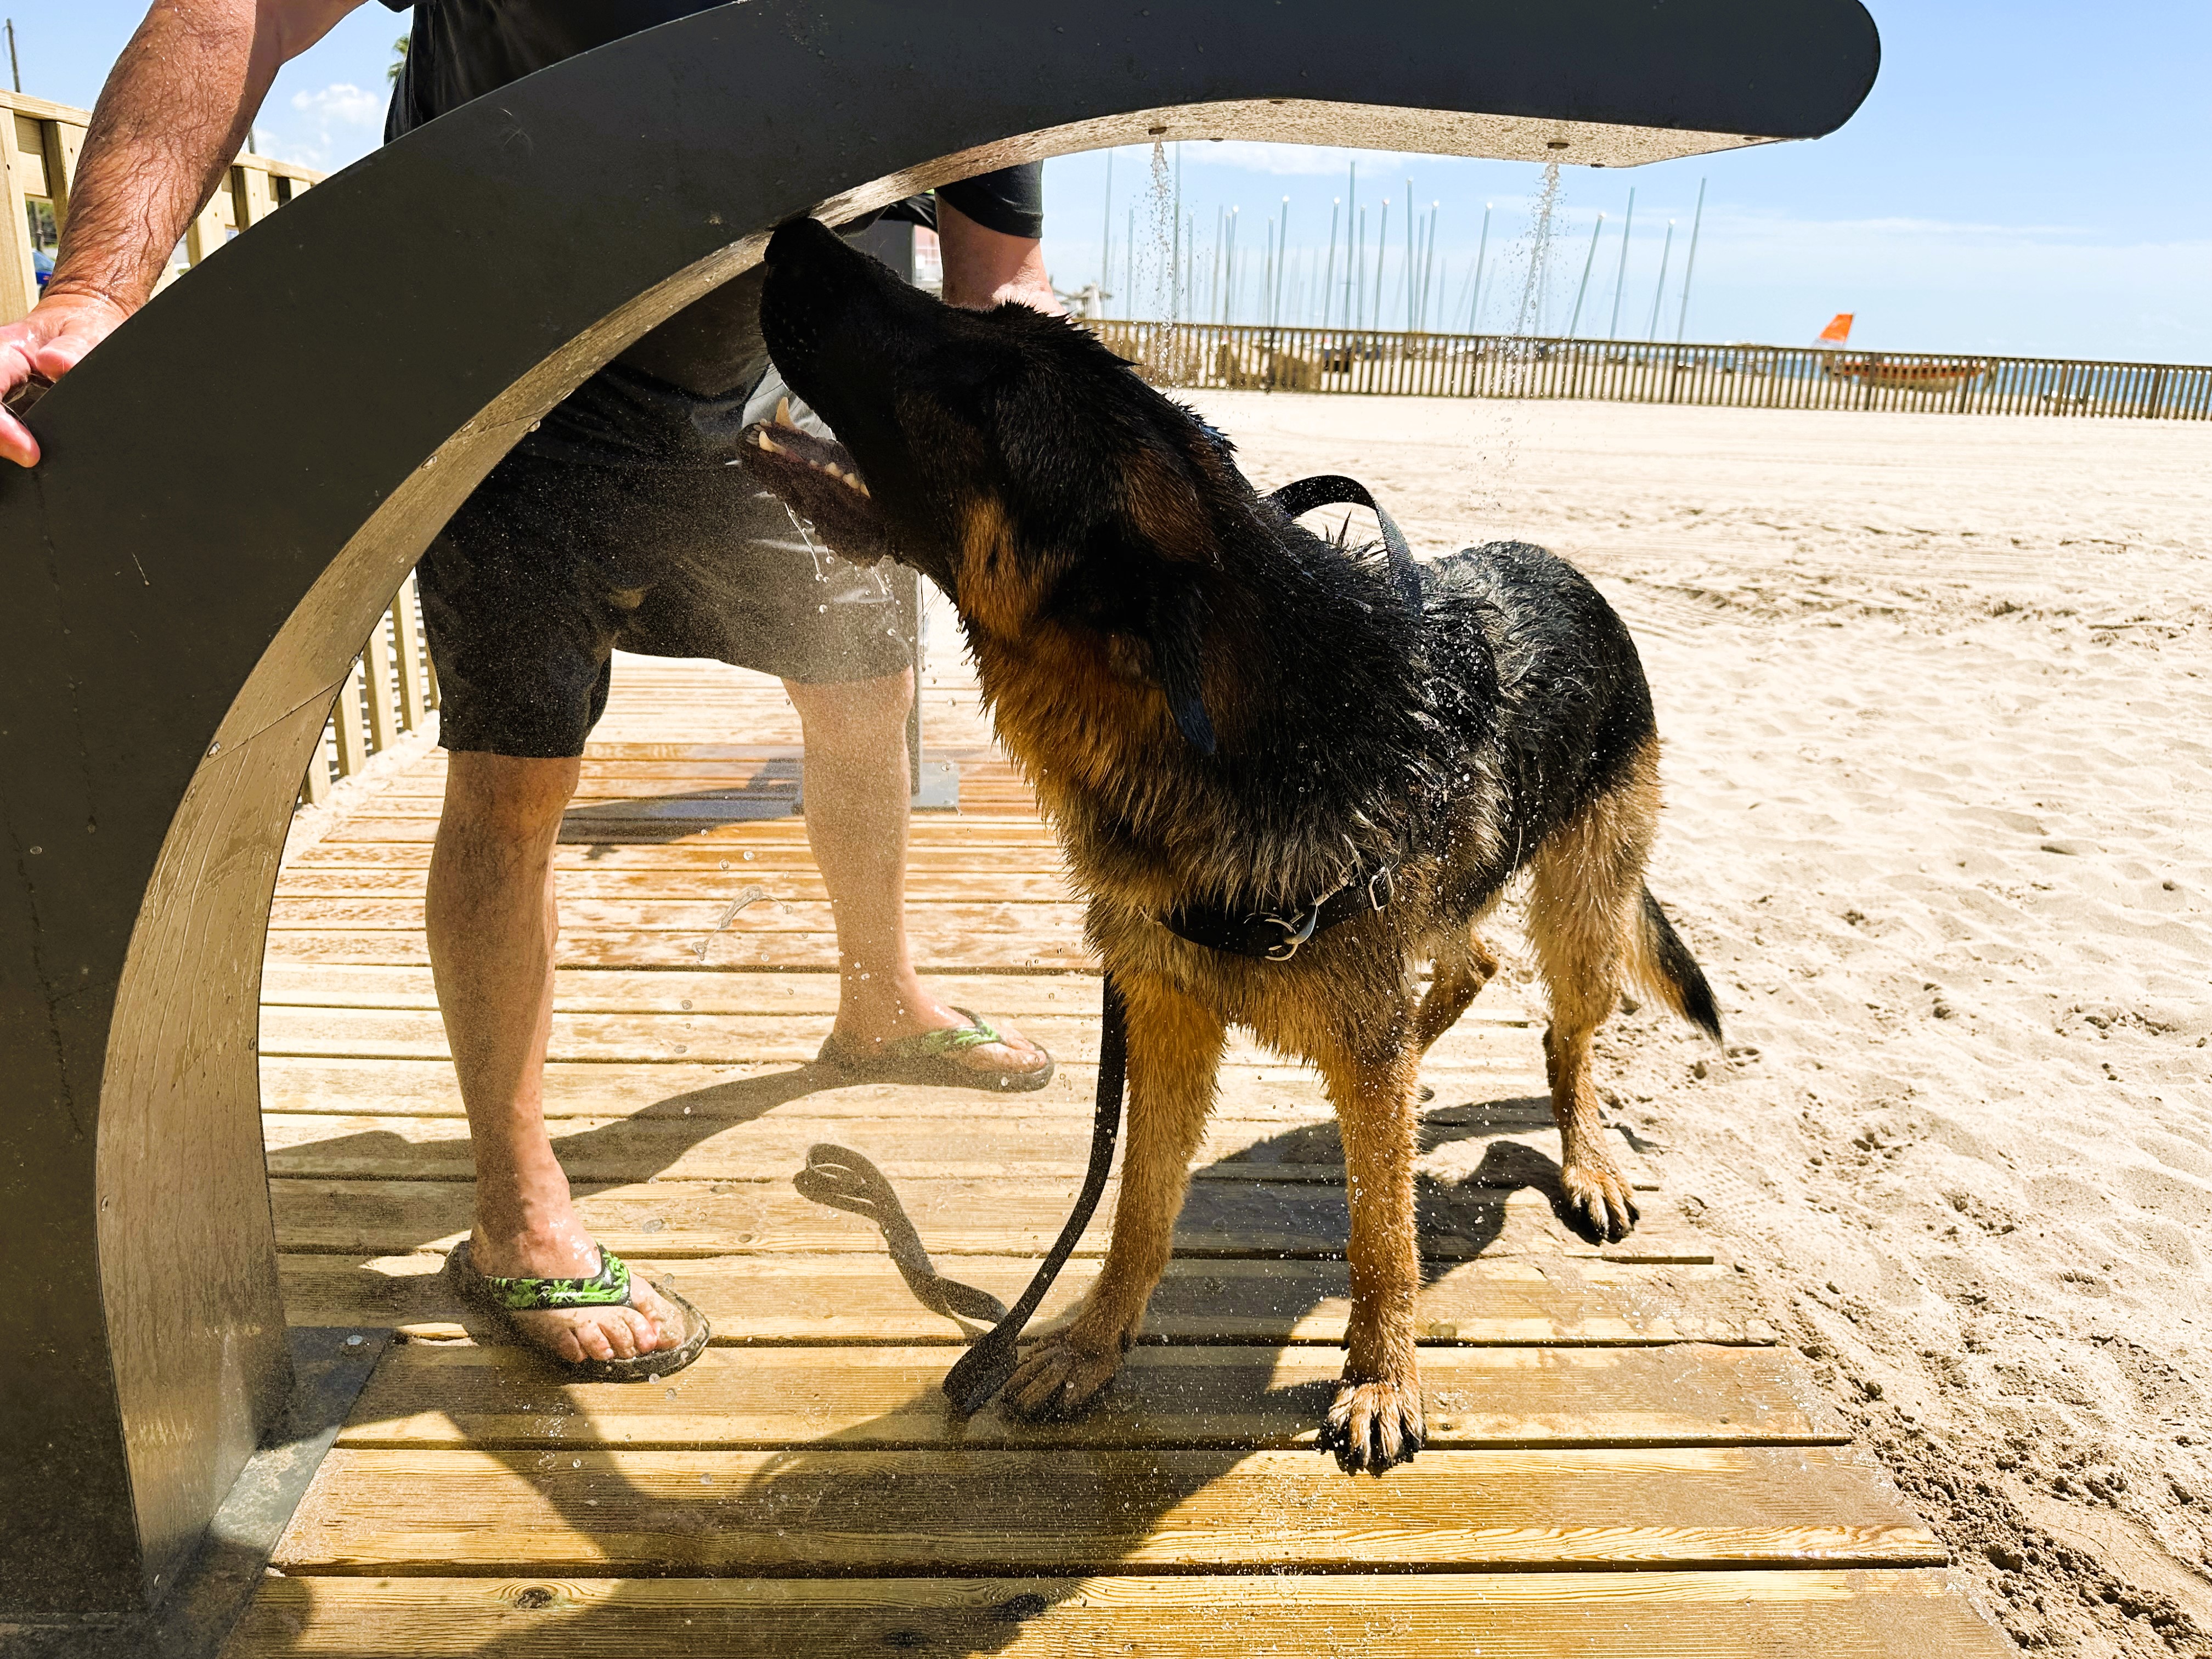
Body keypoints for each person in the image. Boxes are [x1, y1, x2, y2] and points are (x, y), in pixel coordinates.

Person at [0, 0, 1059, 1375]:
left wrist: (1038, 431)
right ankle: (515, 1207)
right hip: (515, 385)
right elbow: (241, 10)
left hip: (753, 394)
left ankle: (879, 996)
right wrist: (94, 297)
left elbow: (996, 273)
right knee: (518, 780)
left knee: (868, 681)